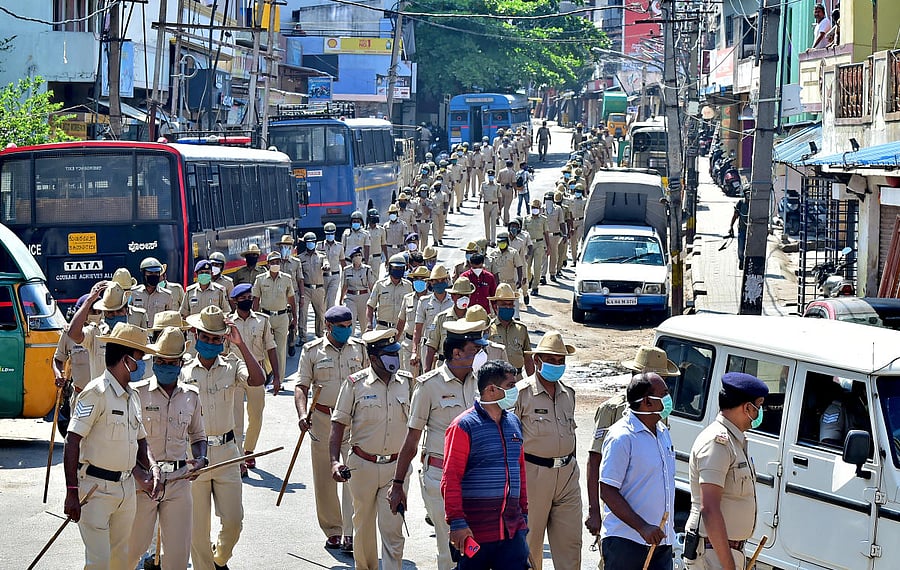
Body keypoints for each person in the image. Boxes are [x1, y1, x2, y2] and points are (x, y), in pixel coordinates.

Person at [389, 321, 486, 570]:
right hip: (441, 477)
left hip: (478, 478)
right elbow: (412, 438)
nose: (479, 355)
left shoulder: (482, 383)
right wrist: (398, 483)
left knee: (478, 549)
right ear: (456, 353)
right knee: (451, 550)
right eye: (474, 350)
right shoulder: (429, 385)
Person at [63, 323, 160, 570]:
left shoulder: (133, 396)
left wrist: (153, 466)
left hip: (126, 489)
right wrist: (72, 491)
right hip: (95, 490)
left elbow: (141, 440)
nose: (143, 366)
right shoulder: (95, 393)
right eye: (141, 359)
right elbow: (72, 440)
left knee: (121, 560)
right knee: (99, 562)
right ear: (126, 359)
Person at [182, 306, 266, 569]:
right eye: (205, 337)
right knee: (197, 530)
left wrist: (241, 345)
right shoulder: (183, 370)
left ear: (223, 340)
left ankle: (219, 558)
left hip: (228, 454)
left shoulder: (232, 365)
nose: (210, 342)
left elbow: (257, 379)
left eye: (216, 338)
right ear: (196, 335)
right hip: (194, 457)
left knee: (233, 522)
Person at [585, 346, 680, 566]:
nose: (669, 399)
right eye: (664, 394)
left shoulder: (663, 432)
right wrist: (642, 526)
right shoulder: (621, 436)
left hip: (661, 540)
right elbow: (607, 489)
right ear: (647, 402)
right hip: (628, 542)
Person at [330, 329, 413, 570]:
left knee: (393, 529)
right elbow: (338, 426)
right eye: (389, 354)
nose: (395, 359)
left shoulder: (407, 382)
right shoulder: (355, 385)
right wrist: (335, 461)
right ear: (374, 357)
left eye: (396, 353)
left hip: (396, 470)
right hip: (362, 465)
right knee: (363, 527)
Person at [129, 327, 207, 570]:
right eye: (160, 361)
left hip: (178, 481)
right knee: (130, 551)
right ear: (153, 360)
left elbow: (198, 435)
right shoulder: (137, 393)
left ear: (181, 363)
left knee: (177, 558)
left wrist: (202, 458)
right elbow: (128, 439)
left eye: (171, 362)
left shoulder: (191, 396)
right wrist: (138, 475)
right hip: (143, 483)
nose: (164, 366)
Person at [442, 360, 529, 570]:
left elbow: (520, 473)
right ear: (491, 389)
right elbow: (450, 478)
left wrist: (523, 516)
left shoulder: (514, 423)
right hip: (474, 532)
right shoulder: (463, 426)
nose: (515, 390)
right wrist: (457, 523)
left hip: (512, 532)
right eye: (510, 386)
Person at [296, 306, 369, 552]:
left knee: (352, 474)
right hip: (323, 418)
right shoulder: (312, 351)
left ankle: (350, 532)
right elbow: (301, 386)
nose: (346, 331)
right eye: (341, 327)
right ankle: (333, 529)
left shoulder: (359, 349)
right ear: (328, 327)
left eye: (349, 326)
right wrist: (302, 414)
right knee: (325, 477)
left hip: (353, 419)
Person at [685, 372, 768, 570]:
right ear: (747, 407)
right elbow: (710, 509)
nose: (759, 413)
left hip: (725, 552)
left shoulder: (735, 441)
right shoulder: (717, 442)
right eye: (759, 406)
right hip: (713, 553)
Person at [514, 331, 580, 569]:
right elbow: (509, 441)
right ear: (537, 360)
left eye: (560, 360)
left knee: (571, 545)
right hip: (533, 475)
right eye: (551, 360)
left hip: (567, 476)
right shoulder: (521, 394)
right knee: (530, 547)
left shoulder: (568, 394)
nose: (556, 365)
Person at [229, 283, 278, 473]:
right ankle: (239, 459)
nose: (247, 300)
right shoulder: (228, 323)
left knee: (256, 416)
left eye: (249, 296)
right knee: (236, 418)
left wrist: (277, 376)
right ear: (235, 301)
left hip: (257, 373)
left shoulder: (263, 321)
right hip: (234, 373)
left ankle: (248, 451)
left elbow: (271, 347)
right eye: (243, 298)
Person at [69, 282, 148, 380]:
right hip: (103, 394)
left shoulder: (136, 335)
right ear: (104, 314)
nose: (115, 315)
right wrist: (89, 300)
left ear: (126, 311)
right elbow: (73, 334)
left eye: (119, 311)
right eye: (110, 313)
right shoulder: (96, 332)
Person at [252, 250, 297, 391]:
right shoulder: (260, 279)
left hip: (282, 317)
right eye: (273, 263)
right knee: (264, 348)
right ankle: (269, 372)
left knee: (280, 349)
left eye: (277, 262)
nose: (275, 265)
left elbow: (291, 299)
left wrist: (295, 317)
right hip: (265, 317)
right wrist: (254, 316)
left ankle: (280, 380)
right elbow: (256, 299)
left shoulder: (286, 279)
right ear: (268, 264)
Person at [423, 276, 476, 372]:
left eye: (466, 295)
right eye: (460, 296)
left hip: (467, 368)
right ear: (453, 296)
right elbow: (431, 346)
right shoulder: (441, 318)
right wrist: (427, 370)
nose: (464, 299)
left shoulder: (474, 319)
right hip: (444, 367)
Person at [410, 264, 454, 370]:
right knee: (427, 377)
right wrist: (414, 352)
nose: (439, 283)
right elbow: (418, 329)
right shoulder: (424, 302)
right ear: (431, 282)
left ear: (447, 281)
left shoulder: (453, 301)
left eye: (442, 280)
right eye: (436, 281)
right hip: (428, 346)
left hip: (448, 347)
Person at [487, 284, 533, 378]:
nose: (508, 307)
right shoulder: (488, 329)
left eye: (510, 304)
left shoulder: (521, 329)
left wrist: (532, 382)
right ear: (496, 307)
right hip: (495, 379)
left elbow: (528, 358)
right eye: (504, 304)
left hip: (517, 378)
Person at [396, 265, 431, 377]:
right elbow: (401, 321)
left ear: (428, 282)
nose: (418, 282)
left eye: (422, 279)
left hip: (427, 344)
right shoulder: (408, 298)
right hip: (409, 343)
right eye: (416, 279)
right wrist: (395, 341)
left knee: (426, 377)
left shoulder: (432, 299)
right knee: (409, 377)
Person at [366, 254, 412, 332]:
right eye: (396, 267)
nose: (398, 270)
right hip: (382, 329)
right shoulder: (379, 285)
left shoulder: (408, 286)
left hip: (400, 331)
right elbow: (370, 306)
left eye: (401, 268)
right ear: (390, 268)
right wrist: (369, 324)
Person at [299, 231, 330, 340]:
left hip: (319, 288)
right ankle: (302, 336)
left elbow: (326, 264)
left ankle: (320, 334)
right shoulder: (301, 258)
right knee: (303, 313)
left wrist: (326, 267)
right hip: (306, 289)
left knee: (320, 314)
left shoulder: (321, 256)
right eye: (308, 242)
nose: (310, 243)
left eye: (312, 241)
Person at [341, 246, 377, 335]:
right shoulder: (347, 270)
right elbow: (345, 285)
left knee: (364, 322)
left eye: (359, 255)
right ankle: (351, 341)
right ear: (352, 258)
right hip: (351, 297)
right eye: (356, 255)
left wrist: (374, 300)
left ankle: (365, 344)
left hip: (364, 297)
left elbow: (371, 285)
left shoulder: (367, 269)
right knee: (350, 321)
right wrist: (341, 298)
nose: (358, 257)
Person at [131, 257, 176, 326]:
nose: (153, 276)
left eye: (156, 273)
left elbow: (169, 319)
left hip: (158, 334)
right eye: (150, 273)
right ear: (144, 274)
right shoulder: (133, 293)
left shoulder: (167, 295)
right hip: (138, 334)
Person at [524, 200, 551, 295]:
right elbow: (523, 234)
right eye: (533, 208)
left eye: (536, 208)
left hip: (539, 244)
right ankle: (530, 278)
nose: (534, 210)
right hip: (529, 245)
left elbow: (546, 233)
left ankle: (535, 287)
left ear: (539, 209)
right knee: (527, 266)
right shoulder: (526, 219)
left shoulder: (543, 219)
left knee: (537, 267)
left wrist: (548, 246)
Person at [319, 222, 346, 308]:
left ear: (334, 233)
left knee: (331, 300)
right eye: (328, 234)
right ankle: (322, 320)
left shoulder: (339, 246)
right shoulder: (319, 246)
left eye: (331, 233)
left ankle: (330, 320)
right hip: (322, 277)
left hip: (334, 276)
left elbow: (342, 262)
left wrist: (346, 275)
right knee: (322, 302)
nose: (330, 235)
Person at [728, 189, 749, 270]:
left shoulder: (755, 205)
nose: (748, 196)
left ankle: (748, 264)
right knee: (741, 248)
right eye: (747, 194)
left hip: (752, 230)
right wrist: (731, 226)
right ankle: (741, 260)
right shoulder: (740, 203)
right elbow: (735, 215)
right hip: (742, 229)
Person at [479, 169, 501, 245]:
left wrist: (499, 208)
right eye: (489, 176)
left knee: (493, 224)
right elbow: (481, 194)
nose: (490, 177)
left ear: (494, 176)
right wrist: (478, 203)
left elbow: (499, 197)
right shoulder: (483, 184)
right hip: (486, 205)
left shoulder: (497, 186)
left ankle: (493, 241)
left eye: (492, 176)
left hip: (494, 205)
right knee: (486, 223)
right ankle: (488, 240)